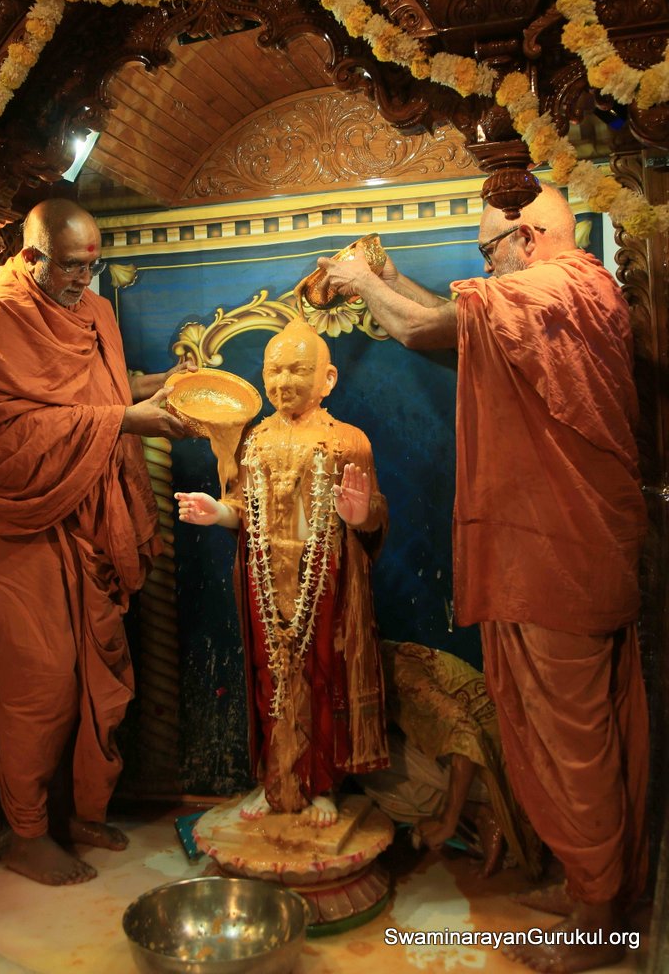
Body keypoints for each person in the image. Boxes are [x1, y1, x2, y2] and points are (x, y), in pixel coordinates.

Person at [317, 184, 648, 972]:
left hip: (558, 559)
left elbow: (425, 326)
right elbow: (452, 320)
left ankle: (599, 915)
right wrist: (386, 278)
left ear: (527, 238)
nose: (488, 266)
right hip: (555, 552)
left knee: (573, 737)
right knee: (567, 726)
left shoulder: (557, 288)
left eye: (489, 251)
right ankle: (590, 883)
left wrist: (360, 283)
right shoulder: (565, 293)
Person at [0, 199, 191, 886]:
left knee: (96, 664)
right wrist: (127, 421)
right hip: (1, 510)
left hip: (73, 506)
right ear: (32, 255)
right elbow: (1, 433)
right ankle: (26, 832)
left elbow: (94, 397)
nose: (83, 280)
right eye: (71, 267)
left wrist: (161, 388)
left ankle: (76, 811)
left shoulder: (92, 311)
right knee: (41, 675)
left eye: (92, 266)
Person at [175, 318, 389, 826]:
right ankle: (273, 781)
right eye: (274, 370)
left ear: (327, 379)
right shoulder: (253, 439)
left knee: (324, 675)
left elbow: (375, 514)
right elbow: (243, 510)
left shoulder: (349, 441)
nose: (284, 381)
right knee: (267, 677)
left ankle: (322, 784)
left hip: (324, 577)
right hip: (265, 579)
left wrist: (360, 515)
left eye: (297, 370)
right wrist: (218, 512)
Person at [360, 640, 542, 880]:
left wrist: (448, 820)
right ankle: (482, 816)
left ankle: (481, 818)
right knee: (379, 772)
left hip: (511, 773)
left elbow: (467, 738)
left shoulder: (401, 671)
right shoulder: (387, 662)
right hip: (517, 769)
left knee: (373, 767)